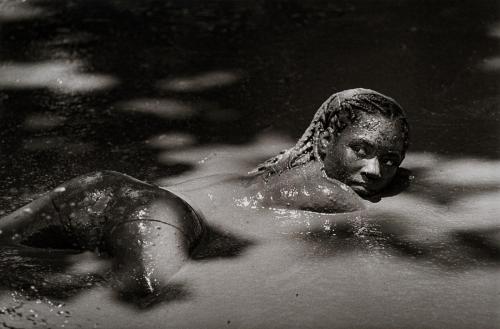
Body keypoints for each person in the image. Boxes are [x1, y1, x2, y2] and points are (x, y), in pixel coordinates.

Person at [0, 88, 409, 296]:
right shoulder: (335, 193)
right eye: (362, 150)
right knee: (138, 313)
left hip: (103, 188)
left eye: (390, 160)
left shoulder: (280, 168)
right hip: (162, 220)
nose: (374, 170)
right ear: (325, 142)